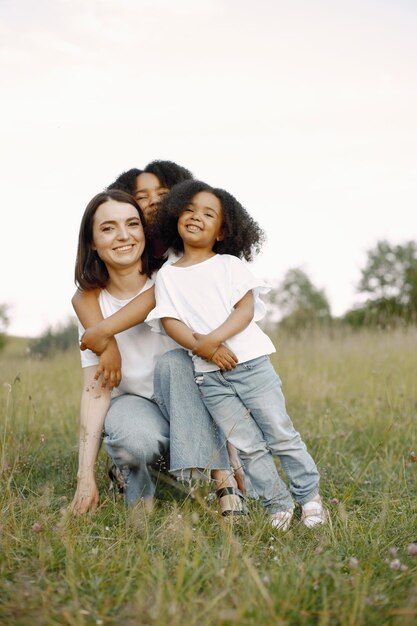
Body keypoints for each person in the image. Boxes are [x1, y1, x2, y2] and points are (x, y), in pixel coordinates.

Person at [141, 179, 328, 530]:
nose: (196, 217)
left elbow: (245, 311)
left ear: (223, 231)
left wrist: (214, 340)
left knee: (279, 432)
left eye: (208, 214)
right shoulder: (167, 276)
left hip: (251, 365)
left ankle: (309, 498)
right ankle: (278, 503)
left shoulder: (229, 265)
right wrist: (203, 348)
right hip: (208, 375)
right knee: (247, 443)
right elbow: (169, 322)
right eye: (189, 209)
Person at [70, 188, 245, 517]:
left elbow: (210, 371)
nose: (123, 236)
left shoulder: (174, 281)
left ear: (144, 232)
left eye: (132, 224)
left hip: (189, 402)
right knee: (136, 439)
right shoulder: (92, 306)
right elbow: (96, 391)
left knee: (178, 362)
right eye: (108, 228)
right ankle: (138, 492)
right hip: (133, 405)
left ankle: (221, 483)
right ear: (92, 241)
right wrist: (84, 478)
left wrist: (232, 462)